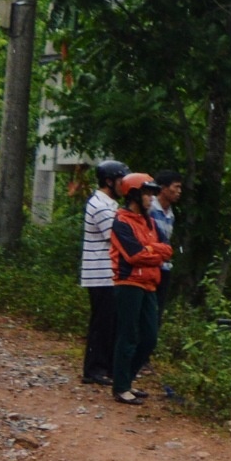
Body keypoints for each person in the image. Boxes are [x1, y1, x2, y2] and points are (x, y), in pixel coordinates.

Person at [105, 171, 169, 405]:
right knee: (128, 334)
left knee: (150, 337)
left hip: (150, 284)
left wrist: (150, 251)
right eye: (147, 194)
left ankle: (127, 379)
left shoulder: (151, 222)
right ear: (134, 195)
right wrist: (154, 251)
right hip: (128, 284)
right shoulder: (121, 222)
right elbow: (133, 255)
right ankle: (121, 387)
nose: (151, 198)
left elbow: (167, 249)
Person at [77, 159, 129, 385]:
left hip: (108, 273)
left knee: (111, 322)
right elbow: (115, 235)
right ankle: (94, 369)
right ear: (109, 181)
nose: (124, 185)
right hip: (100, 272)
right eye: (121, 180)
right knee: (102, 322)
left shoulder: (110, 205)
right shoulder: (100, 205)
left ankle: (105, 367)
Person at [139, 173, 181, 377]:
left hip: (164, 268)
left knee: (156, 312)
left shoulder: (170, 213)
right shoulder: (149, 208)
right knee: (145, 311)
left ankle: (145, 356)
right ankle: (139, 357)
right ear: (163, 188)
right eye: (176, 187)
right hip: (150, 266)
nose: (179, 191)